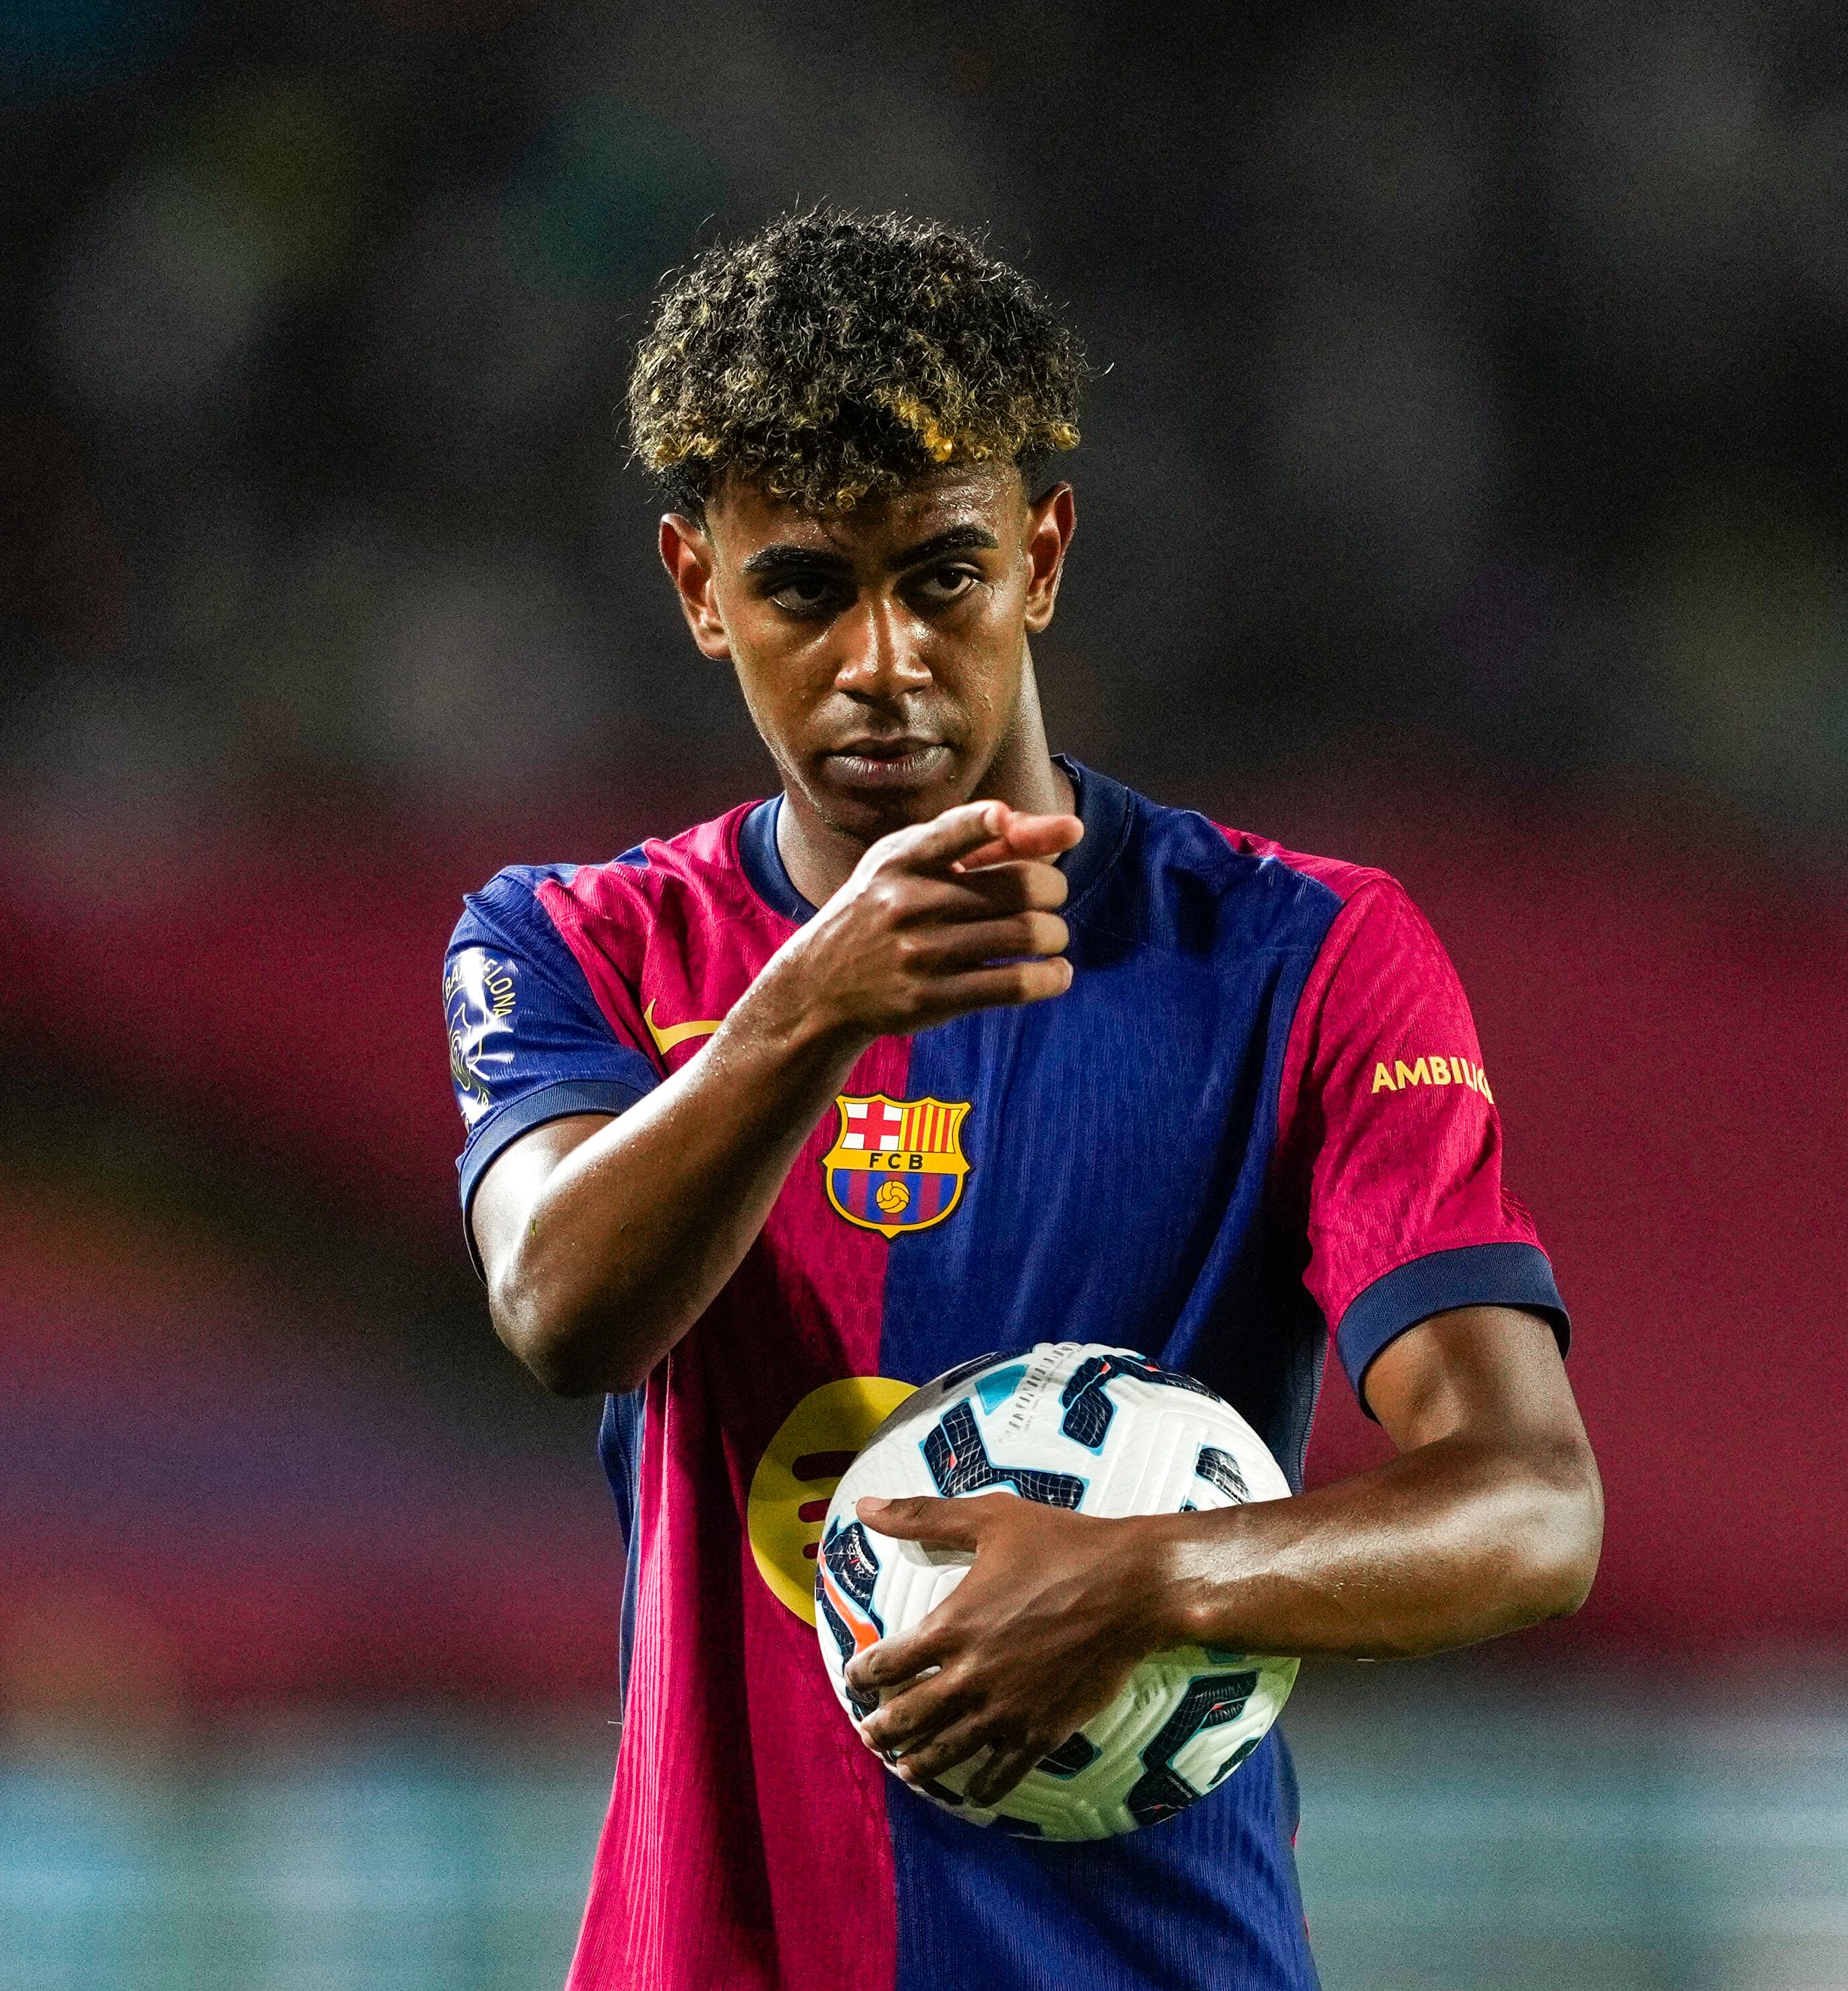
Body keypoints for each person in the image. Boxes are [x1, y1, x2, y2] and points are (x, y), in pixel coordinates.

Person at [444, 209, 1601, 1991]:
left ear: (1043, 556)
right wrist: (811, 1008)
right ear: (697, 587)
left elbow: (1529, 1508)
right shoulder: (579, 944)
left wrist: (1149, 1579)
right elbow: (558, 1311)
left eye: (943, 574)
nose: (884, 659)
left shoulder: (1301, 961)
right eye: (806, 589)